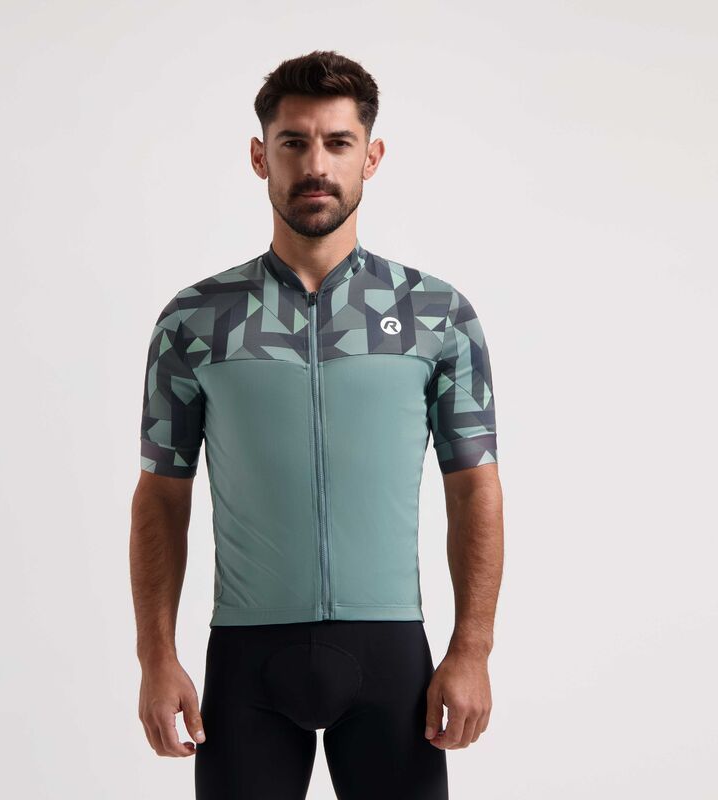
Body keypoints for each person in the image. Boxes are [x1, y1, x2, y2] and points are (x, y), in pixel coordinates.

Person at [130, 49, 504, 800]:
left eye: (338, 143)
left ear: (372, 156)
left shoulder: (436, 314)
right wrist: (155, 658)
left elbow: (475, 488)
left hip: (391, 658)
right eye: (293, 142)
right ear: (259, 156)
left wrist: (472, 650)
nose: (315, 165)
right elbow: (162, 496)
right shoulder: (195, 320)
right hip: (247, 661)